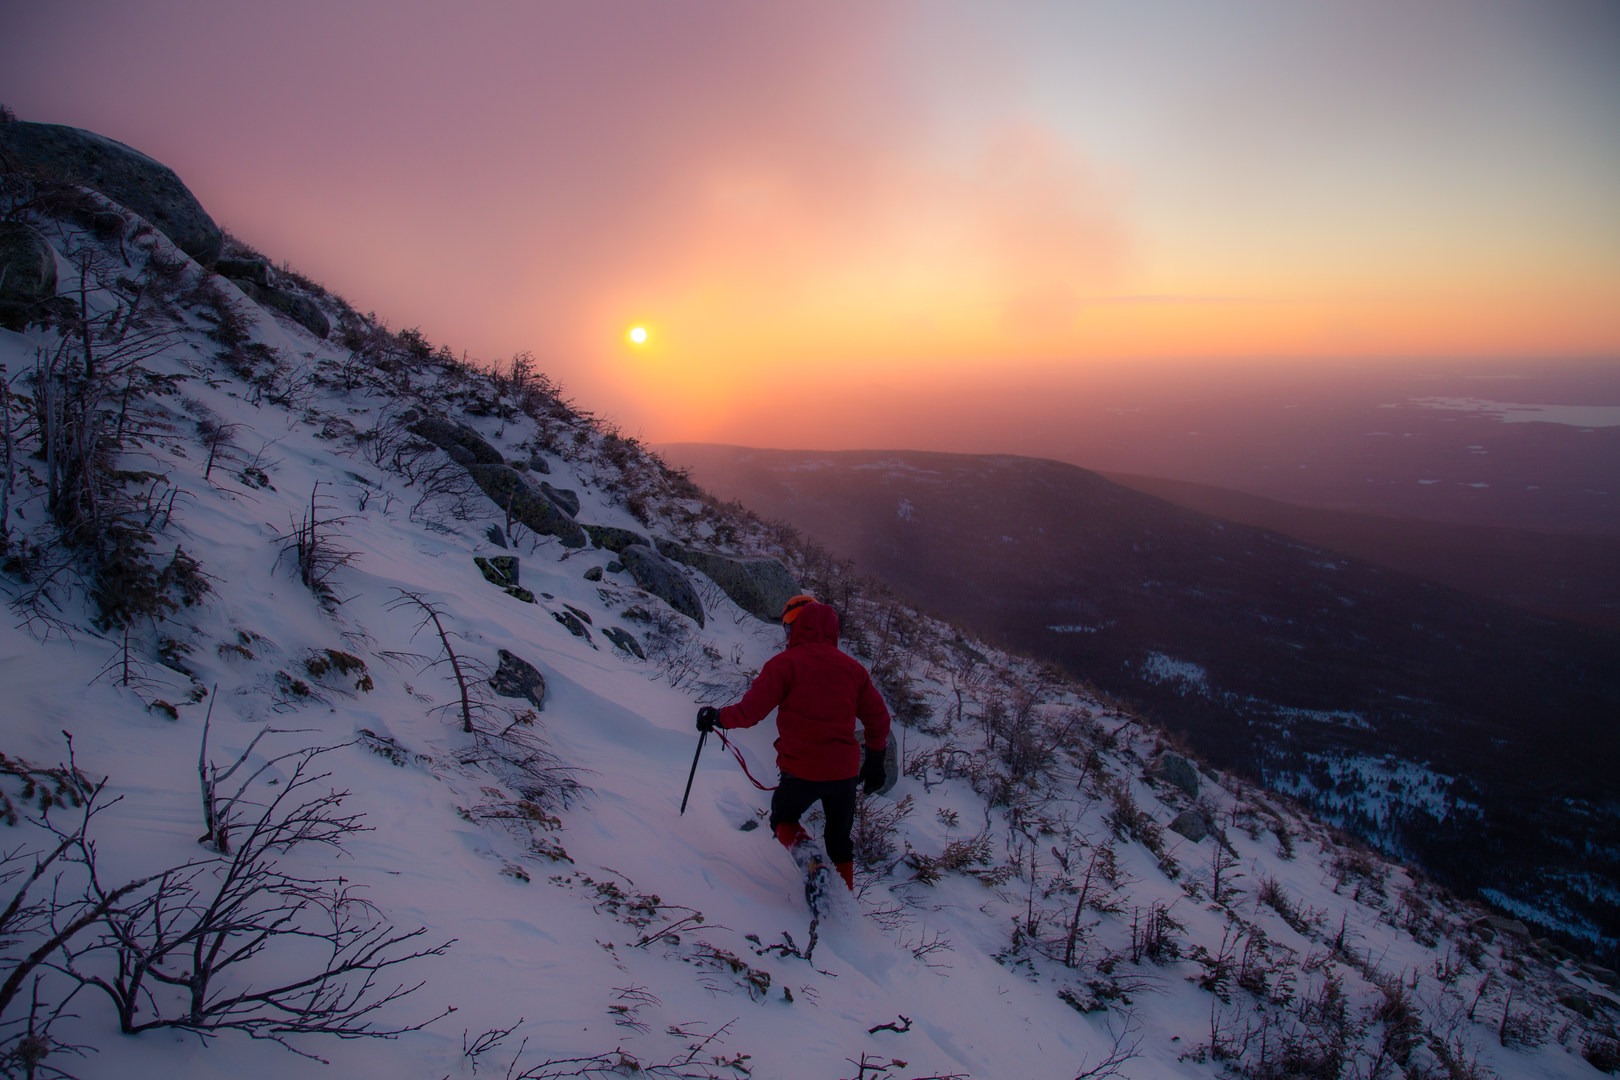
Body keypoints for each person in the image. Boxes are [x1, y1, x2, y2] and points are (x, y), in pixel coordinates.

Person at [697, 595, 891, 891]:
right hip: (844, 773)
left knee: (782, 818)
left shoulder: (784, 664)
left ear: (795, 629)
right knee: (839, 840)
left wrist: (717, 718)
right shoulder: (853, 670)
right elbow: (878, 718)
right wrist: (876, 759)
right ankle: (844, 910)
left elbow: (750, 713)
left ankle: (813, 864)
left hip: (801, 770)